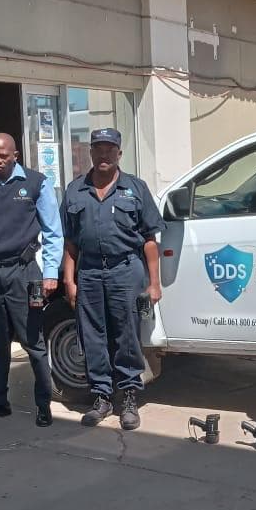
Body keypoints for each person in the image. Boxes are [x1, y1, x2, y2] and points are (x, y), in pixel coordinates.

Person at [61, 127, 163, 430]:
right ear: (90, 153)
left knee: (127, 335)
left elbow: (149, 240)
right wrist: (70, 279)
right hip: (89, 271)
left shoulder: (136, 188)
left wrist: (154, 283)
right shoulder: (74, 190)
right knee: (92, 335)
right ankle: (101, 397)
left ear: (119, 153)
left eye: (110, 149)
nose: (103, 154)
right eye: (98, 148)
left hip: (125, 270)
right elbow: (71, 242)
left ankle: (130, 397)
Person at [0, 133, 63, 427]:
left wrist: (51, 273)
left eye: (3, 154)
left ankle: (43, 404)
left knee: (33, 343)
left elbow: (54, 233)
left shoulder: (35, 183)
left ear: (15, 154)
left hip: (25, 275)